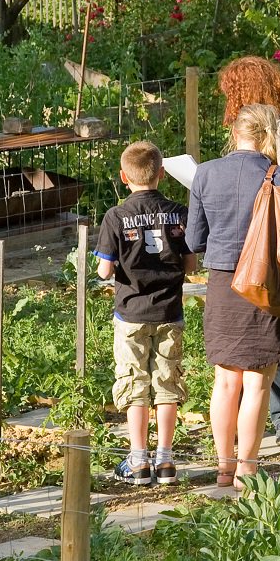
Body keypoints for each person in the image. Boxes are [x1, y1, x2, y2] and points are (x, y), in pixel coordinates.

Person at [186, 103, 280, 487]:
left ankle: (223, 467)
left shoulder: (203, 174)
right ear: (269, 134)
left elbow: (194, 240)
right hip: (265, 284)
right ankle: (247, 469)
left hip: (223, 284)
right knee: (257, 383)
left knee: (225, 382)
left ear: (234, 133)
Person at [216, 55, 280, 446]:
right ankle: (272, 416)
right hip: (254, 235)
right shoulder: (271, 126)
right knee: (262, 336)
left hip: (270, 239)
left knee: (267, 335)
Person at [96, 141, 195, 486]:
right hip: (170, 311)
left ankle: (139, 462)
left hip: (130, 313)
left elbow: (105, 271)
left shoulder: (116, 216)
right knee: (167, 383)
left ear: (124, 177)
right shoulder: (179, 212)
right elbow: (192, 263)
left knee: (133, 383)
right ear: (162, 175)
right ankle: (166, 461)